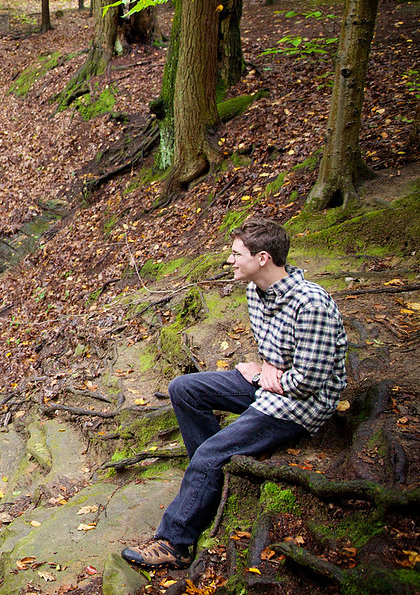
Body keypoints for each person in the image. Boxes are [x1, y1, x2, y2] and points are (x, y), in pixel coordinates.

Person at [121, 216, 348, 569]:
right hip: (270, 385)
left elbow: (309, 383)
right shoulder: (256, 292)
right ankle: (210, 480)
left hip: (300, 404)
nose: (229, 260)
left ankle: (175, 542)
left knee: (212, 452)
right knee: (185, 389)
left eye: (236, 254)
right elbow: (274, 356)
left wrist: (265, 376)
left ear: (262, 259)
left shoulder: (311, 305)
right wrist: (262, 370)